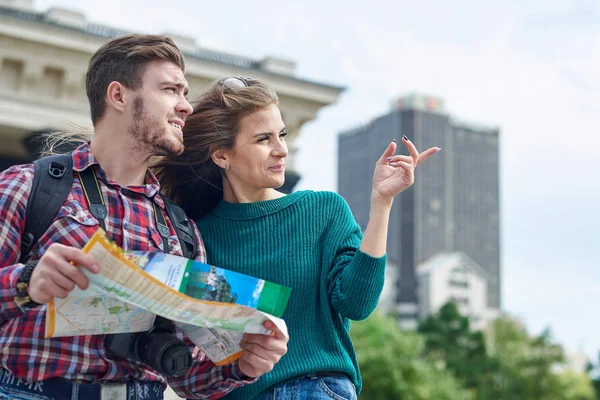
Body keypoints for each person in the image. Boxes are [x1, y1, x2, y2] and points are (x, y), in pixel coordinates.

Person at [0, 36, 287, 400]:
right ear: (118, 96)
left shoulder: (181, 231)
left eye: (185, 94)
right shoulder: (28, 186)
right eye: (171, 90)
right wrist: (27, 282)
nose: (186, 107)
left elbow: (190, 381)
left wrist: (243, 364)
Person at [154, 77, 440, 399]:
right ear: (222, 156)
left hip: (315, 389)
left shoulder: (322, 210)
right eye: (264, 139)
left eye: (282, 135)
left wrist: (382, 203)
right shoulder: (197, 235)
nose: (281, 150)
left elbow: (357, 304)